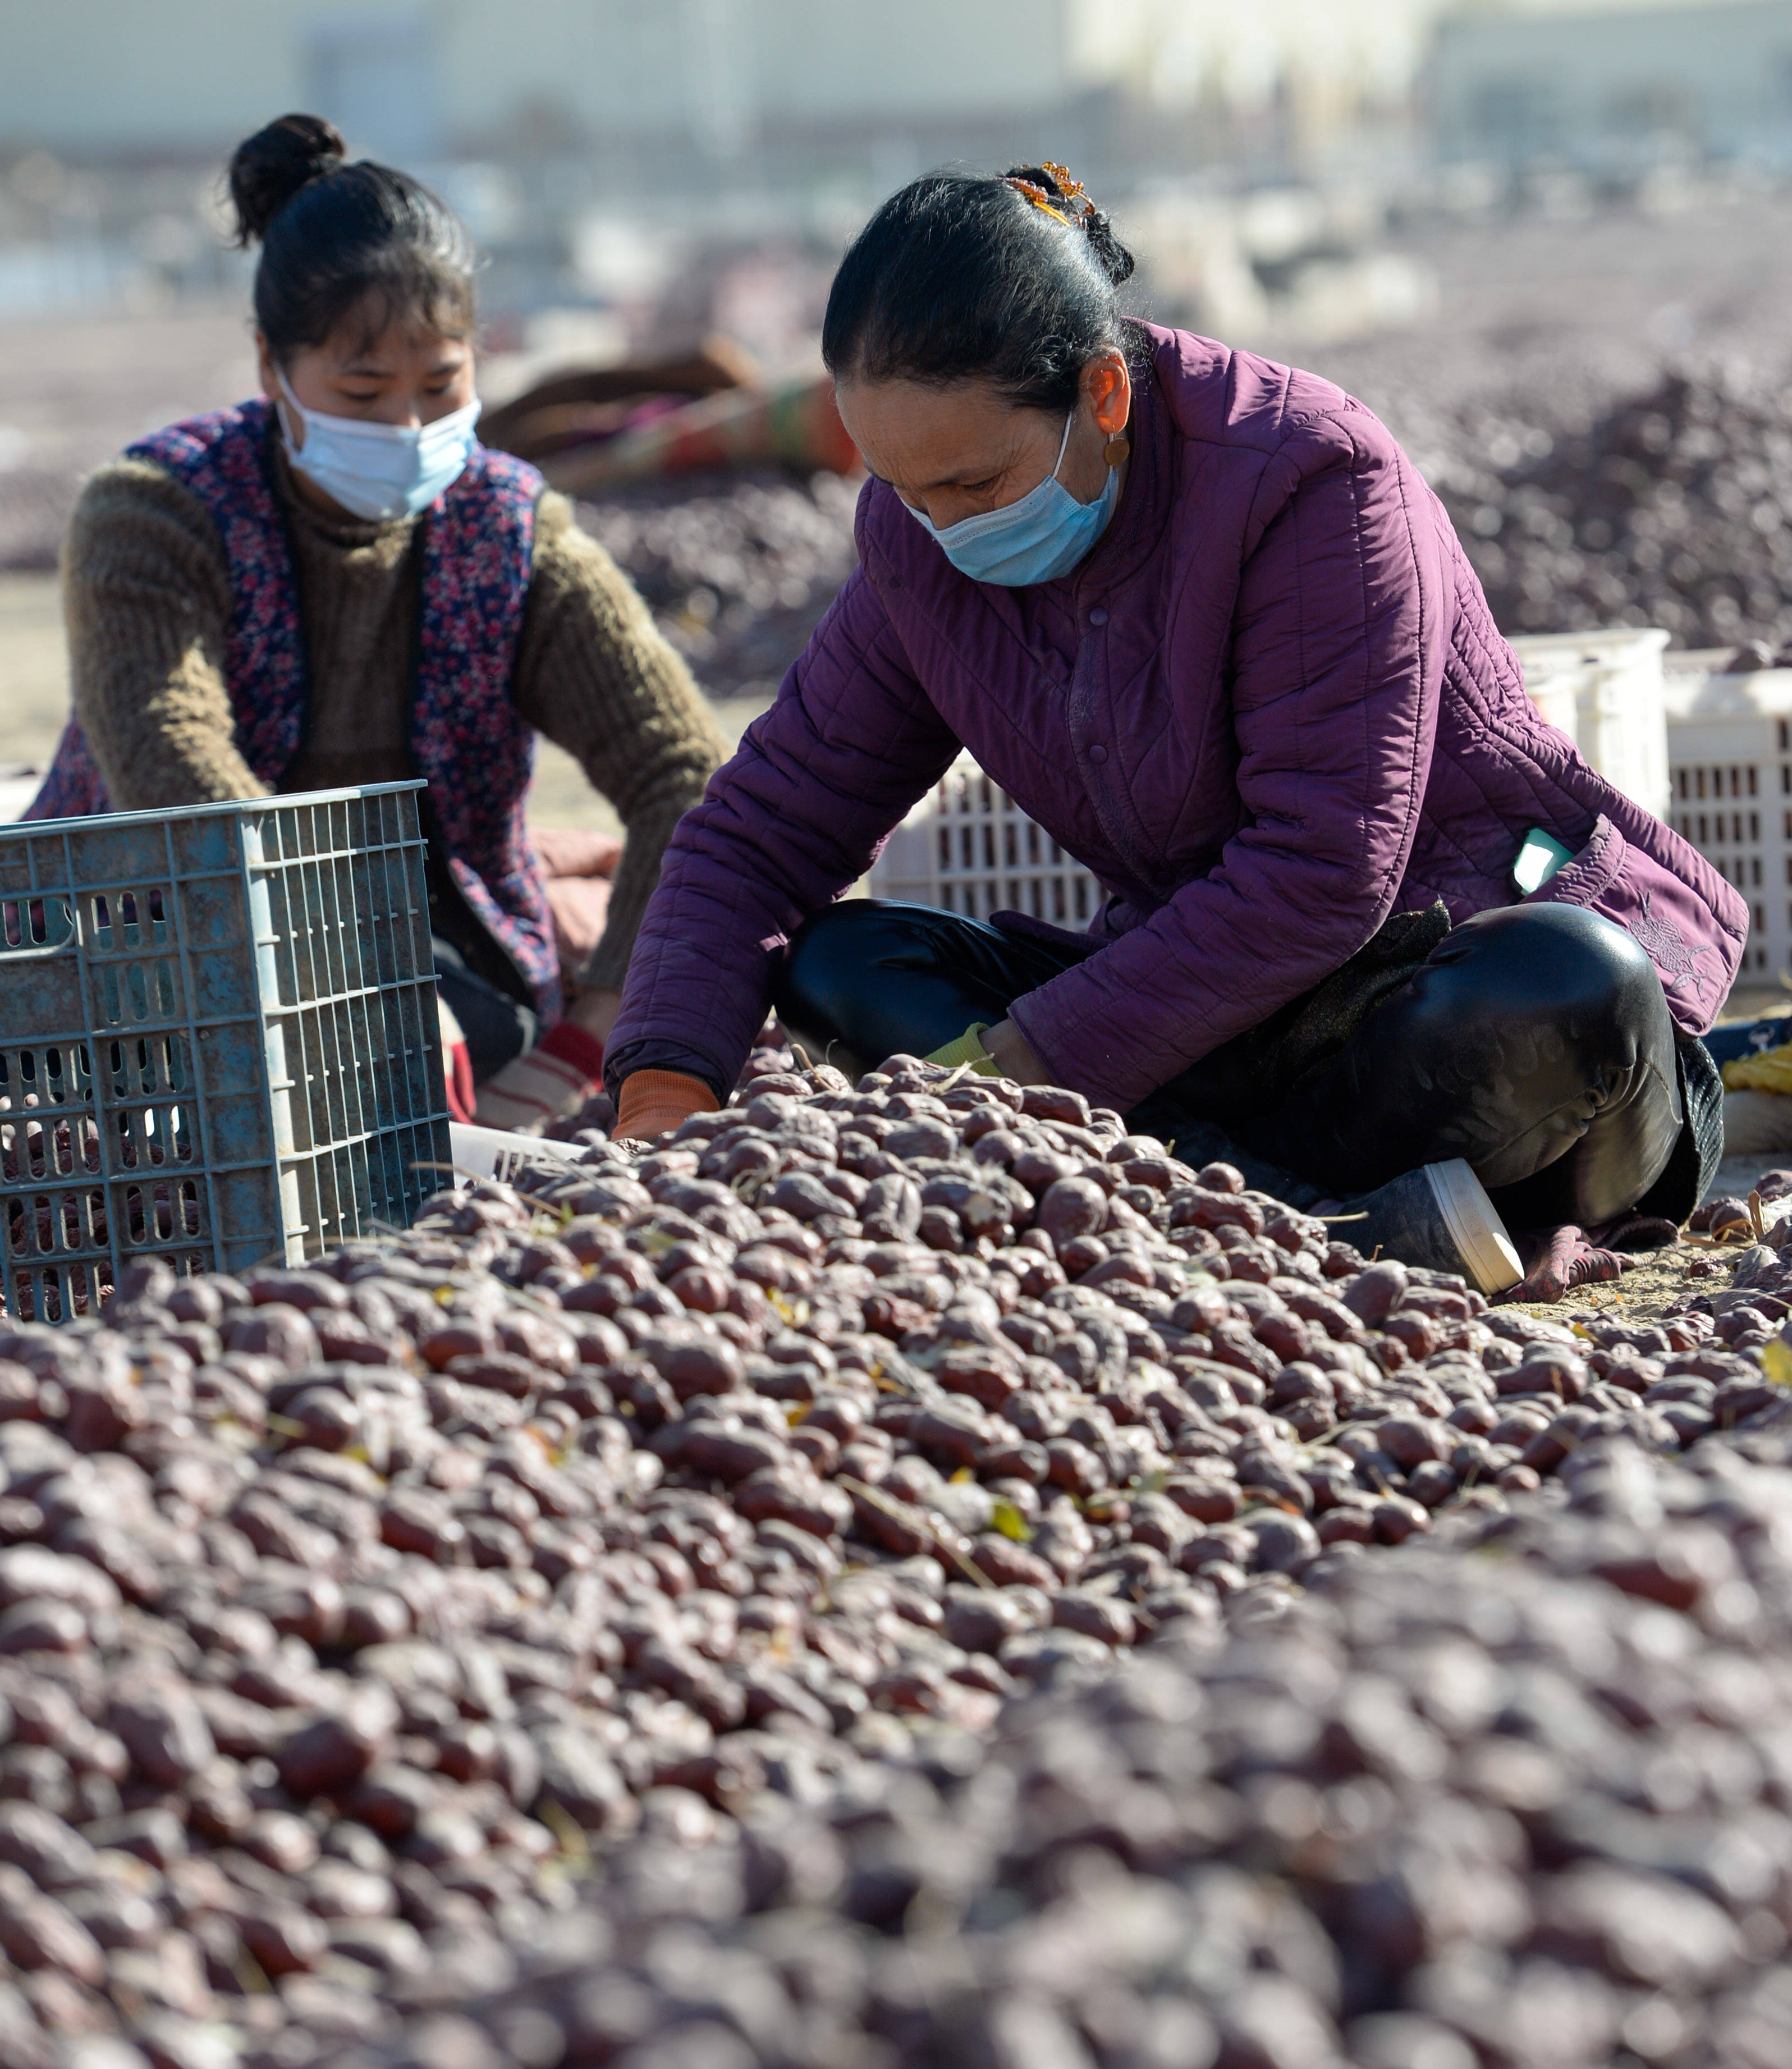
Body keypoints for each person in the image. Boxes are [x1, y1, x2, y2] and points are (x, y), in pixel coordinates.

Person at [603, 163, 1744, 1294]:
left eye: (977, 484)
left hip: (1421, 985)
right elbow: (760, 832)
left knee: (1567, 985)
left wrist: (1021, 1071)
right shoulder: (923, 550)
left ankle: (1219, 1208)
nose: (943, 529)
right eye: (906, 492)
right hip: (1206, 1031)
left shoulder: (1307, 480)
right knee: (844, 960)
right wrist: (664, 1088)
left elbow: (1322, 871)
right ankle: (1304, 1226)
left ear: (1103, 395)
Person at [29, 112, 723, 1130]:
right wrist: (355, 999)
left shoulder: (506, 529)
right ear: (272, 369)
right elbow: (178, 777)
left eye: (441, 387)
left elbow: (684, 771)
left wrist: (600, 1026)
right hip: (152, 936)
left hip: (432, 960)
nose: (407, 427)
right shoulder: (156, 515)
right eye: (362, 391)